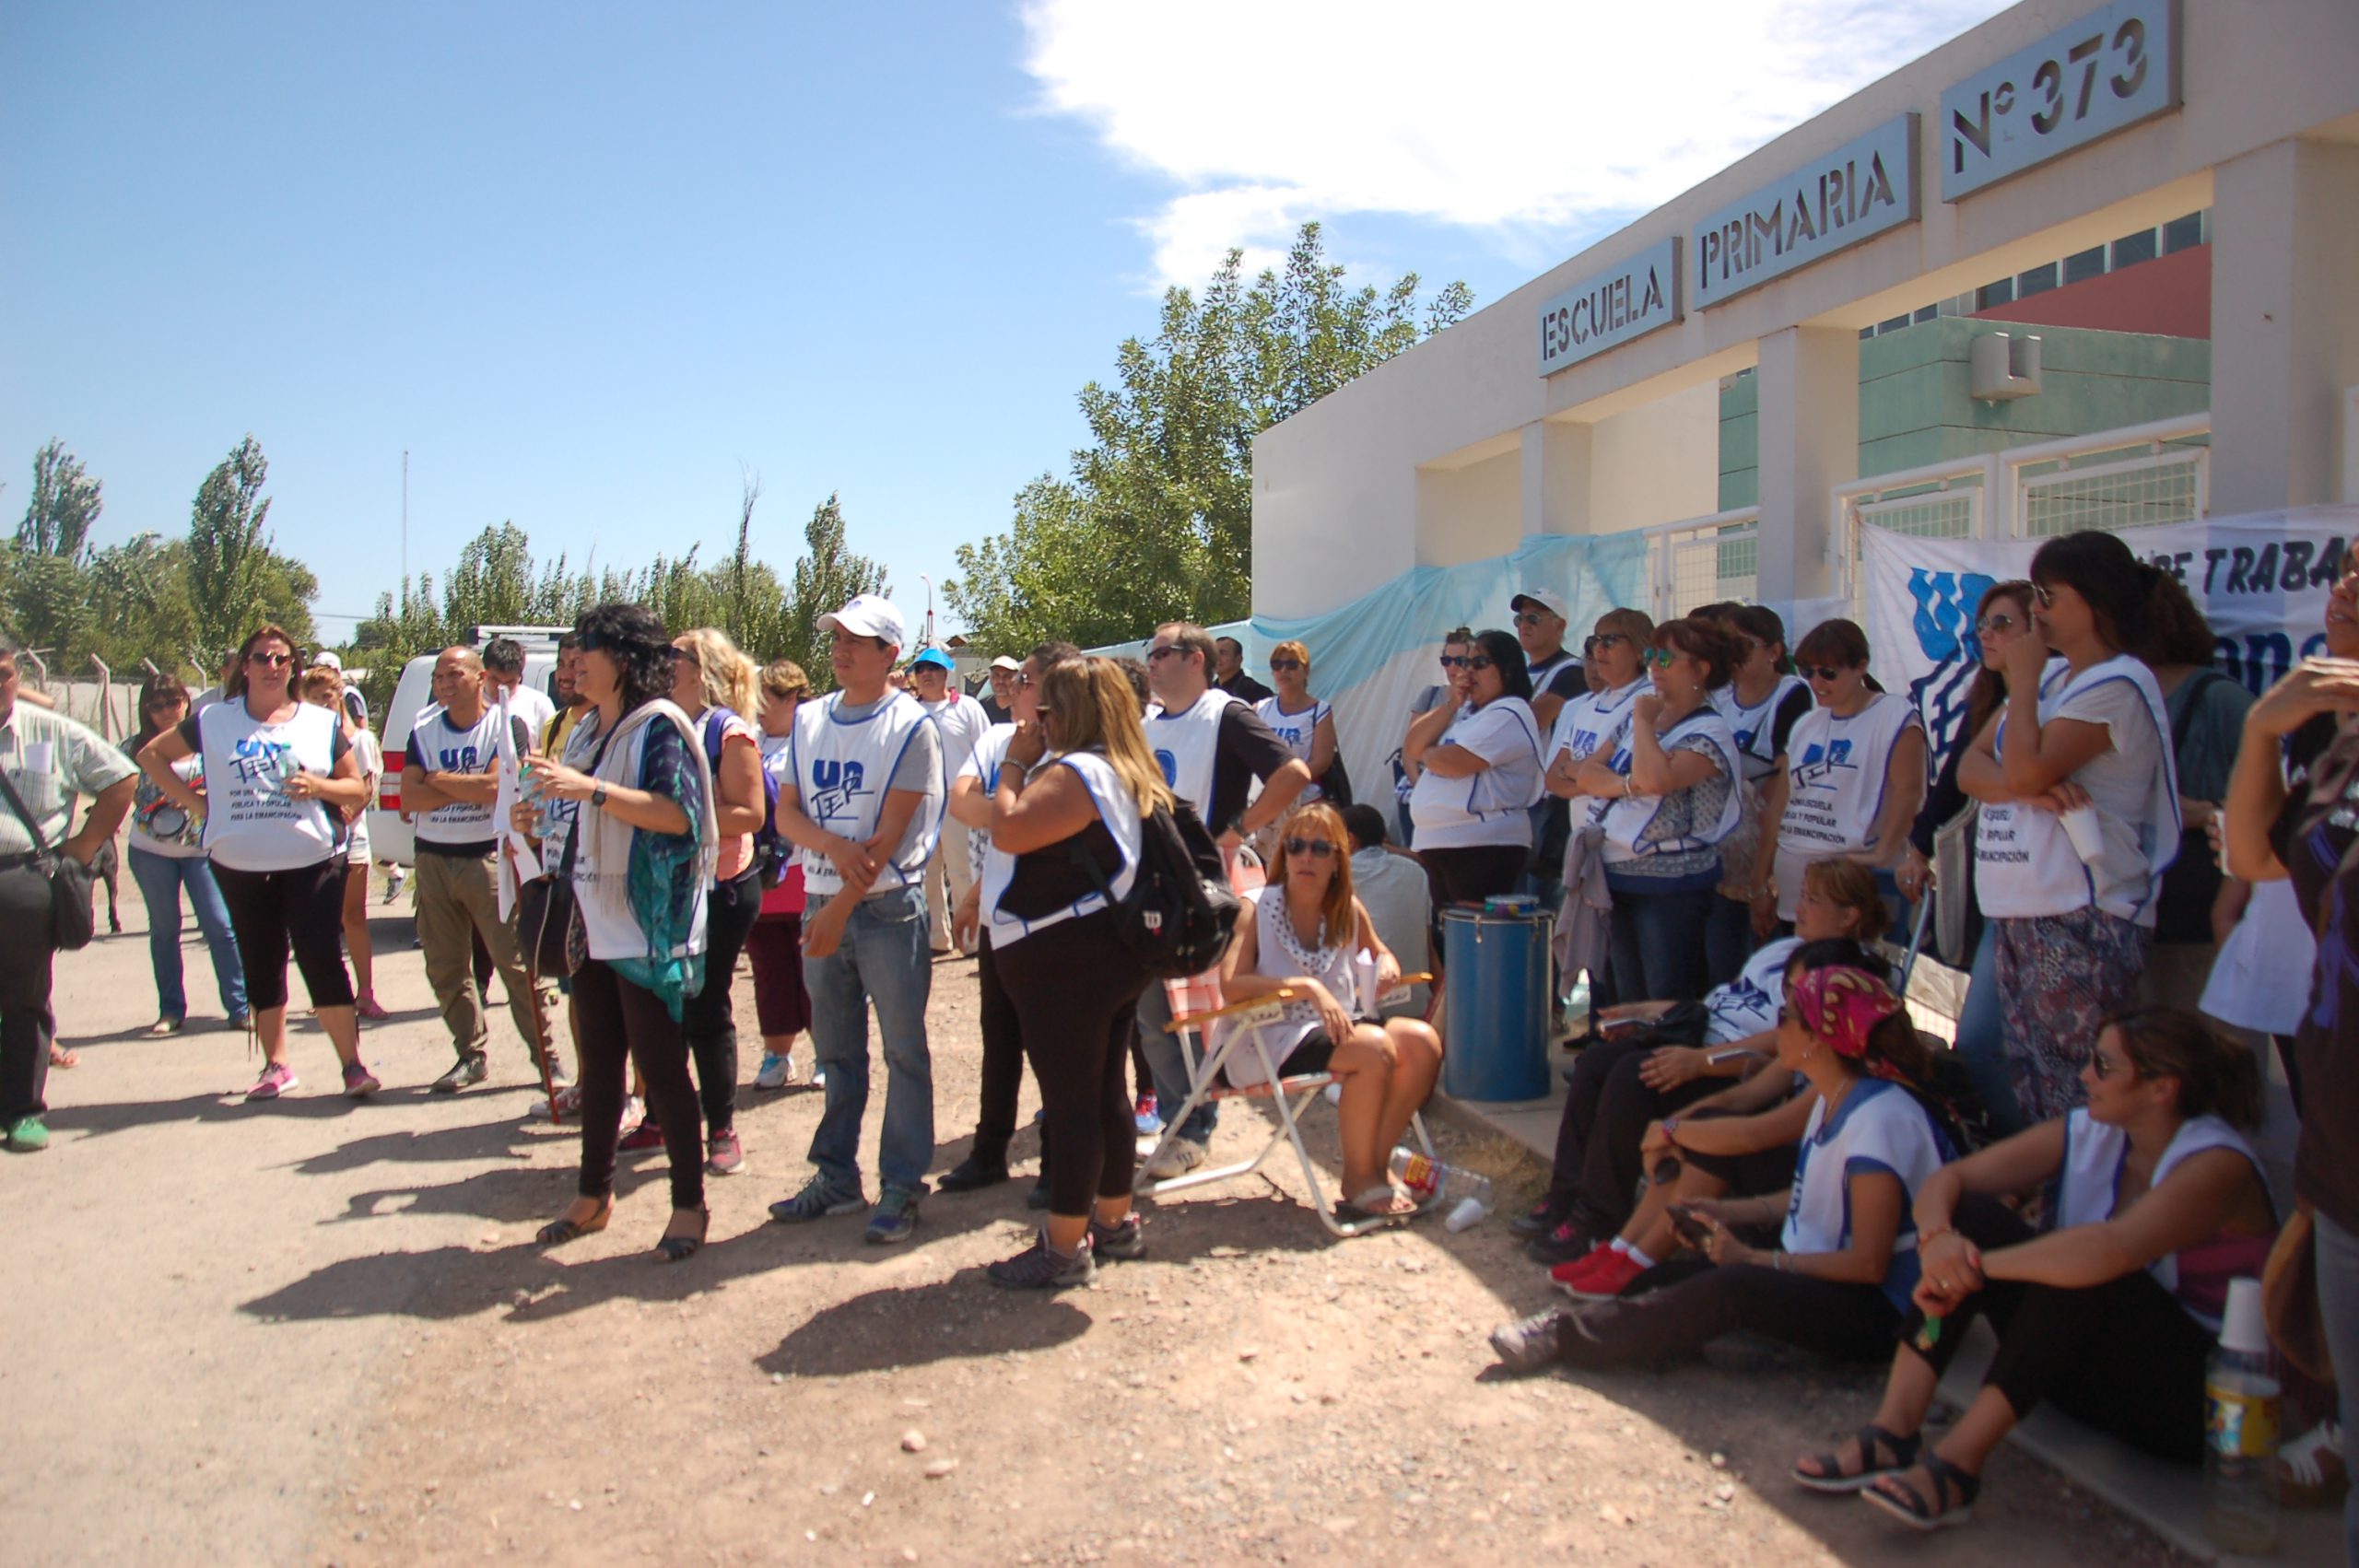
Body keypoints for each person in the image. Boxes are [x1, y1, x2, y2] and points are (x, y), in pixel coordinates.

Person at [1804, 1007, 2274, 1533]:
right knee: (1975, 1220)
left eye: (2103, 1065)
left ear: (2162, 1088)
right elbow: (1949, 1182)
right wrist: (1940, 1244)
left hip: (2201, 1410)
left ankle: (1958, 1467)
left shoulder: (2217, 1165)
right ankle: (1893, 1431)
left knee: (2084, 1265)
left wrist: (1975, 1270)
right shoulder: (2097, 1131)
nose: (2084, 1076)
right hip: (2093, 1378)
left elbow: (2113, 1250)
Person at [1488, 954, 1953, 1375]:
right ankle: (1651, 1329)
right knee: (1664, 1280)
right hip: (1822, 1275)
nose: (1777, 1023)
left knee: (1730, 1287)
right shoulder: (1836, 1098)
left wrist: (1756, 1259)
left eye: (1788, 1016)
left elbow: (1869, 1264)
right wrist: (1730, 1214)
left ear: (1819, 1040)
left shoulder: (1878, 1119)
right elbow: (1814, 1199)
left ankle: (1566, 1339)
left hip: (1878, 1310)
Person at [1517, 859, 1892, 1267]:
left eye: (1813, 900)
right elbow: (1721, 1004)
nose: (1799, 908)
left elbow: (1786, 1042)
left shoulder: (1842, 976)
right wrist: (1647, 1010)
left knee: (1632, 1077)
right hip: (1698, 1038)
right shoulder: (1787, 950)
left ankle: (1596, 1219)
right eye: (1801, 896)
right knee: (1597, 1061)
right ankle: (1564, 1197)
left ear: (1849, 915)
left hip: (1728, 1067)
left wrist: (1700, 1062)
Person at [2224, 553, 2359, 1562]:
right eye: (2347, 569)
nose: (2348, 586)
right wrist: (2265, 725)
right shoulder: (2333, 741)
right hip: (2342, 1135)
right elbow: (2251, 856)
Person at [523, 602, 718, 1263]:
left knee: (662, 1070)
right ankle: (593, 1195)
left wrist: (590, 792)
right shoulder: (584, 730)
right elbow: (574, 809)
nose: (574, 661)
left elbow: (678, 816)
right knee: (599, 1064)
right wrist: (540, 814)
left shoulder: (659, 726)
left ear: (627, 660)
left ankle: (689, 1205)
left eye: (590, 649)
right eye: (573, 649)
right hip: (591, 917)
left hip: (645, 924)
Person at [1966, 531, 2179, 1124]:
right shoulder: (2058, 680)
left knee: (2075, 1079)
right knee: (2022, 1069)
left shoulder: (2117, 685)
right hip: (2023, 902)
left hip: (2083, 911)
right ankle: (2052, 1192)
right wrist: (2025, 783)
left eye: (2049, 596)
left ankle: (2085, 1197)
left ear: (2097, 604)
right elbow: (1970, 768)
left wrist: (2025, 684)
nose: (2036, 612)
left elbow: (2026, 764)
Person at [972, 656, 1171, 1286]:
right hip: (1107, 953)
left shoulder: (1078, 772)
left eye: (1049, 710)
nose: (1039, 720)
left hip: (1066, 959)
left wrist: (1012, 763)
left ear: (1073, 713)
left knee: (1071, 1102)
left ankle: (1064, 1246)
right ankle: (1113, 1222)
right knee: (1105, 1092)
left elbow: (1008, 828)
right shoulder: (1126, 767)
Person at [768, 594, 946, 1244]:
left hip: (885, 909)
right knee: (837, 1053)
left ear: (889, 653)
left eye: (858, 641)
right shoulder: (810, 719)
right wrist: (833, 851)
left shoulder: (911, 726)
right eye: (837, 637)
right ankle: (837, 1177)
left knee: (904, 1051)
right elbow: (785, 812)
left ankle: (901, 1184)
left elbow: (893, 836)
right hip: (823, 901)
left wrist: (839, 903)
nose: (841, 649)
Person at [138, 626, 379, 1103]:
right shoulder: (213, 720)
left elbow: (359, 788)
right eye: (262, 658)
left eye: (282, 659)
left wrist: (321, 788)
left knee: (321, 959)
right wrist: (199, 806)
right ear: (244, 666)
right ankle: (276, 1065)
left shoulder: (319, 722)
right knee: (262, 963)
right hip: (239, 863)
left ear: (294, 667)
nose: (273, 666)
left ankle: (352, 1066)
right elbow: (151, 755)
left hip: (312, 859)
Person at [1134, 621, 1314, 1180]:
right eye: (1151, 653)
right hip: (1154, 884)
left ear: (1195, 659)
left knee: (1201, 1015)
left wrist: (1236, 830)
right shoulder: (1145, 724)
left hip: (1205, 889)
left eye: (1161, 652)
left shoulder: (1227, 713)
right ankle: (1178, 1118)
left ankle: (1193, 1127)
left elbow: (1294, 772)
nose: (1152, 663)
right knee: (1152, 1015)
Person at [1214, 801, 1446, 1225]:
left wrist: (1389, 968)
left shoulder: (1347, 909)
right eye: (1297, 846)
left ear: (1339, 860)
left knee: (1422, 1041)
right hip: (1264, 1038)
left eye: (1321, 849)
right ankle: (1358, 1183)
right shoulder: (1257, 906)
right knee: (1373, 1046)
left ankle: (1374, 1166)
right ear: (1283, 855)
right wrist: (1305, 988)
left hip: (1334, 1030)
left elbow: (1382, 956)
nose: (1306, 856)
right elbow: (1231, 984)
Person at [1895, 581, 2036, 1136]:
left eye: (2003, 625)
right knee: (1980, 1041)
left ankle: (2043, 1160)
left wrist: (2025, 782)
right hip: (1996, 893)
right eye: (1982, 625)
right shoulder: (1991, 700)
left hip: (2051, 899)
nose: (1987, 636)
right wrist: (1918, 847)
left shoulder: (2060, 697)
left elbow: (2028, 779)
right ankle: (2017, 1148)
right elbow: (1961, 776)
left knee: (2014, 1046)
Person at [938, 640, 1076, 1202]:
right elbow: (962, 803)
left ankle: (1056, 1162)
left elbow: (1017, 825)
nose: (1013, 688)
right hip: (1000, 914)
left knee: (1056, 1047)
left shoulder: (1075, 750)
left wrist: (1006, 799)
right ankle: (989, 1152)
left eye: (1026, 680)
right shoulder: (997, 738)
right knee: (999, 1040)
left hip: (1054, 920)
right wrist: (1009, 802)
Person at [401, 646, 564, 1094]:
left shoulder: (505, 723)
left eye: (454, 674)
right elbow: (408, 797)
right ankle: (470, 1055)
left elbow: (498, 789)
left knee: (515, 966)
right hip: (432, 860)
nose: (445, 684)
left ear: (480, 678)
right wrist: (461, 788)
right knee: (446, 967)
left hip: (487, 860)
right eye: (438, 677)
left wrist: (435, 780)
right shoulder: (424, 728)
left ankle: (546, 1060)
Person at [1, 638, 137, 1150]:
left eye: (4, 674)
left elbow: (121, 777)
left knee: (24, 1000)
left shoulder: (50, 732)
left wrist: (82, 846)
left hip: (24, 881)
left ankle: (22, 1112)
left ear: (18, 677)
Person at [1576, 617, 1741, 1005]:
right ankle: (1633, 1063)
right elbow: (1585, 773)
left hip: (1672, 888)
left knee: (1666, 995)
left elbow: (1657, 779)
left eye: (1666, 658)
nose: (1653, 666)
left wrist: (1645, 728)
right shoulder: (1640, 718)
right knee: (1627, 995)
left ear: (1701, 669)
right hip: (1617, 876)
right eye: (1651, 655)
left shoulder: (1709, 731)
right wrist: (1629, 785)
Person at [657, 627, 767, 1176]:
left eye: (671, 656)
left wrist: (678, 820)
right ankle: (663, 1117)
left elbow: (750, 813)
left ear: (699, 670)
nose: (662, 664)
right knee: (661, 1004)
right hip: (670, 885)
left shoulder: (727, 730)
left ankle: (721, 1127)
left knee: (704, 1004)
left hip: (721, 885)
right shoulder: (663, 722)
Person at [1754, 618, 1927, 940]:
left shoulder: (1893, 714)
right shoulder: (1807, 724)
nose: (1817, 682)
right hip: (1797, 888)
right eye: (1808, 672)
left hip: (1853, 885)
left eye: (1828, 673)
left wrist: (1880, 853)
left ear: (1861, 667)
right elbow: (1779, 808)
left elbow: (1909, 792)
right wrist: (1760, 884)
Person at [2139, 575, 2255, 1012]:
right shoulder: (2098, 697)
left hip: (2200, 922)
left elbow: (2275, 806)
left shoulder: (2220, 700)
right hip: (2132, 920)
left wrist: (2208, 813)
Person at [121, 673, 249, 1036]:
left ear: (186, 702)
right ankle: (171, 1010)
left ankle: (239, 1007)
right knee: (165, 930)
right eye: (157, 705)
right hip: (150, 850)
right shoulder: (132, 749)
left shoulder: (207, 738)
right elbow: (108, 786)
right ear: (146, 710)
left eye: (173, 702)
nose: (166, 711)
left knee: (220, 926)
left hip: (201, 849)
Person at [1542, 610, 1654, 1005]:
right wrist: (1590, 780)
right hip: (1588, 851)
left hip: (1630, 855)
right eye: (1594, 642)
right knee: (1597, 958)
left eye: (1611, 641)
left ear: (1641, 650)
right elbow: (1554, 779)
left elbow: (1627, 778)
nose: (1598, 651)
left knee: (1634, 969)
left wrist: (1585, 776)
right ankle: (1599, 1035)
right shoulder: (1587, 705)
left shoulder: (1647, 701)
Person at [1705, 605, 1813, 983]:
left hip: (1768, 842)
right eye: (1727, 644)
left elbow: (1782, 777)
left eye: (1744, 644)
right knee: (1719, 962)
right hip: (1721, 841)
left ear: (1774, 651)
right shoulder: (1717, 695)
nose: (1733, 653)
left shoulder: (1793, 694)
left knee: (1761, 959)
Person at [1403, 628, 1543, 908]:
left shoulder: (1510, 711)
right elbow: (1411, 744)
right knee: (1447, 938)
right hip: (1439, 843)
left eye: (1479, 664)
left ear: (1506, 669)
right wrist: (1453, 703)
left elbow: (1455, 762)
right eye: (1466, 664)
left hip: (1481, 846)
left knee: (1474, 939)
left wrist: (1429, 753)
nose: (1468, 673)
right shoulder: (1466, 712)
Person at [299, 665, 388, 1020]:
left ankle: (365, 992)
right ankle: (329, 992)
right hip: (314, 841)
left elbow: (366, 788)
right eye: (316, 697)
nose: (323, 702)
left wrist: (345, 816)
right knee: (321, 920)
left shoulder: (360, 739)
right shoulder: (303, 738)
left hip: (351, 840)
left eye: (328, 696)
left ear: (340, 697)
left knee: (353, 916)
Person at [746, 658, 815, 1092]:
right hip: (761, 880)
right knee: (770, 971)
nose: (758, 708)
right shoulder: (747, 742)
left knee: (816, 970)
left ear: (792, 699)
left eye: (766, 700)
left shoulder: (813, 742)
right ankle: (777, 1056)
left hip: (807, 877)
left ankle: (827, 1053)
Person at [910, 646, 990, 956]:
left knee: (962, 871)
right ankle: (936, 939)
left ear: (946, 673)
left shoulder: (967, 708)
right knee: (926, 874)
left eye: (932, 668)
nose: (926, 674)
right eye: (920, 669)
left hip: (959, 802)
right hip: (920, 805)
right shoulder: (908, 711)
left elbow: (985, 752)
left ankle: (970, 939)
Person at [1340, 804, 1431, 1018]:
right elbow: (1426, 944)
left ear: (1350, 840)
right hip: (1417, 1003)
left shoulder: (1339, 876)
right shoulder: (1416, 872)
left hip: (1364, 1010)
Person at [1391, 627, 1473, 848]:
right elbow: (1409, 749)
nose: (1452, 667)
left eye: (1460, 660)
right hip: (1421, 791)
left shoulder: (1480, 702)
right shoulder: (1430, 695)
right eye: (1447, 660)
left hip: (1459, 797)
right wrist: (1421, 788)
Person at [1253, 639, 1337, 814]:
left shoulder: (1320, 711)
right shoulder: (1259, 709)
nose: (1283, 670)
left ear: (1305, 670)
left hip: (1305, 802)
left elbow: (1322, 761)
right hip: (1264, 801)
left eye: (1291, 664)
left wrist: (1287, 782)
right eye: (1277, 665)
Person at [482, 637, 557, 739]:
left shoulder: (539, 704)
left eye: (509, 682)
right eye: (495, 680)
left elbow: (550, 749)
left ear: (520, 677)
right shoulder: (468, 703)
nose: (501, 689)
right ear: (483, 674)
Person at [1211, 635, 1272, 703]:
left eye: (1223, 653)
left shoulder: (1254, 691)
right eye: (1215, 653)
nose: (1217, 658)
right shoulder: (1208, 691)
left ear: (1238, 659)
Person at [979, 655, 1020, 725]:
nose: (1000, 681)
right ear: (990, 679)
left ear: (1017, 679)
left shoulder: (1025, 708)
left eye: (1007, 676)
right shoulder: (980, 708)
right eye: (996, 676)